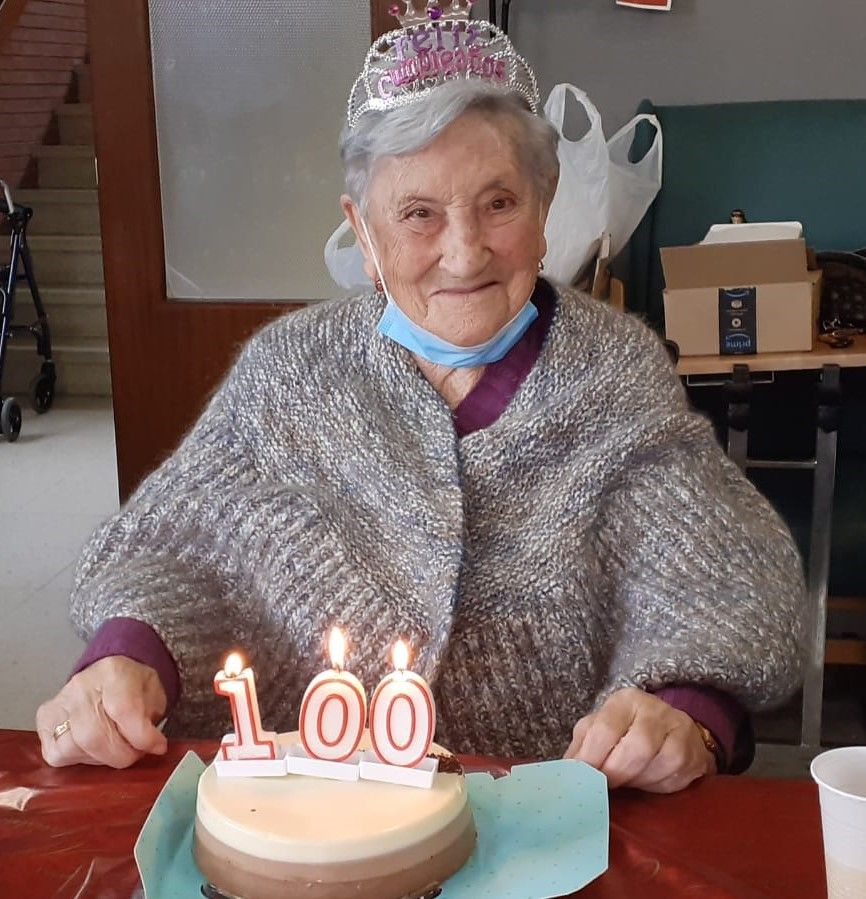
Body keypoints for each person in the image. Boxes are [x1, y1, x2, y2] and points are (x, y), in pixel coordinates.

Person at [37, 4, 806, 792]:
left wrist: (681, 709)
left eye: (499, 203)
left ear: (545, 212)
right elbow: (171, 546)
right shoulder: (289, 370)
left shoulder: (618, 372)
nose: (464, 251)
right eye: (418, 215)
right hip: (308, 824)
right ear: (362, 232)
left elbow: (722, 580)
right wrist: (126, 654)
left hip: (537, 822)